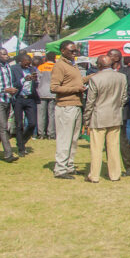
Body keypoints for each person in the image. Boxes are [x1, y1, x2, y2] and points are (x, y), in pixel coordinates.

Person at [83, 55, 127, 183]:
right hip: (115, 115)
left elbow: (90, 101)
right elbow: (124, 97)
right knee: (114, 147)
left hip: (99, 116)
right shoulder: (121, 77)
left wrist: (86, 119)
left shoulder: (95, 79)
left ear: (99, 65)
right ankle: (115, 174)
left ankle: (94, 175)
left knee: (96, 148)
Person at [50, 40, 86, 179]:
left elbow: (78, 82)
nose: (74, 53)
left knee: (74, 139)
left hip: (76, 104)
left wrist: (92, 77)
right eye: (72, 51)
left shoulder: (73, 65)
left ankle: (69, 166)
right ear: (63, 51)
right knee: (65, 138)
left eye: (75, 51)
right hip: (65, 106)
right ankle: (60, 169)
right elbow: (54, 87)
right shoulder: (59, 66)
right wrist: (75, 89)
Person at [107, 49, 130, 176]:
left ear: (117, 58)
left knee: (122, 140)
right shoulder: (105, 72)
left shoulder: (127, 72)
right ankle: (112, 166)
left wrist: (119, 103)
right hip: (107, 110)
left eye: (110, 55)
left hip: (121, 109)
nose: (108, 57)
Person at [9, 52, 38, 157]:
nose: (28, 65)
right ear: (21, 61)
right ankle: (21, 148)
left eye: (29, 63)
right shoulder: (14, 69)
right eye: (26, 63)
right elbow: (12, 84)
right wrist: (23, 79)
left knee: (32, 123)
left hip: (30, 98)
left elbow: (35, 84)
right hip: (18, 98)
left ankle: (21, 141)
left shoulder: (31, 69)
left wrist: (35, 80)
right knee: (19, 124)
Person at [36, 52, 56, 140]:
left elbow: (37, 79)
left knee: (41, 114)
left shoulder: (41, 67)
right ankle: (51, 134)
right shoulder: (56, 67)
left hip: (41, 93)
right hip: (53, 93)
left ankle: (41, 133)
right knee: (51, 115)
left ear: (46, 58)